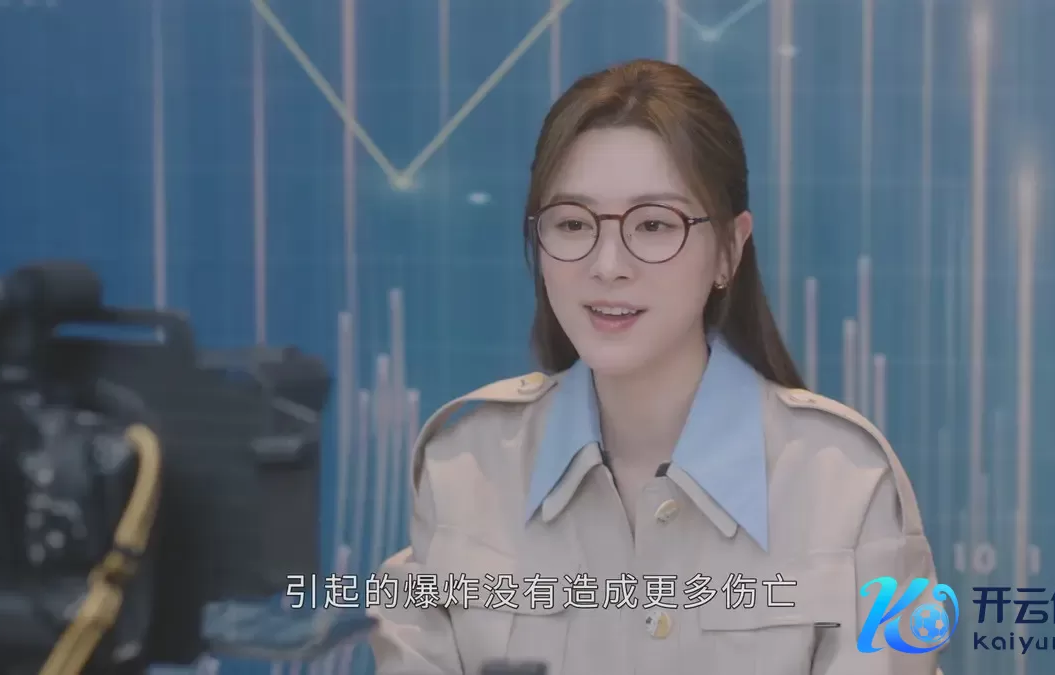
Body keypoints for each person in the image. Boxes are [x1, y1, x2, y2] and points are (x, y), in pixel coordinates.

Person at [369, 59, 942, 675]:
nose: (607, 264)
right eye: (572, 223)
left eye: (653, 224)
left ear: (729, 250)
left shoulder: (846, 483)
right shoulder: (464, 469)